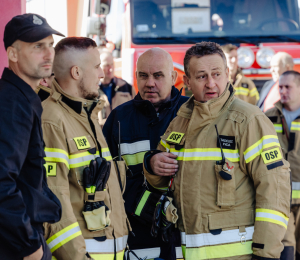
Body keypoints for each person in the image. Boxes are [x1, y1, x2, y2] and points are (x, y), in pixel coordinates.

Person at [143, 42, 291, 260]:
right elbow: (161, 181)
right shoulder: (180, 122)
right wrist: (153, 165)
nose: (211, 83)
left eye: (216, 74)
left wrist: (266, 253)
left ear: (227, 74)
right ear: (188, 82)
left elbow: (274, 190)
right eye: (202, 76)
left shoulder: (249, 120)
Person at [42, 37, 129, 260]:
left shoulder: (86, 114)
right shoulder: (51, 119)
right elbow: (54, 203)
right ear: (76, 73)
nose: (102, 74)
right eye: (97, 67)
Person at [103, 48, 188, 259]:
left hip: (186, 239)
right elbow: (108, 182)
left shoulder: (192, 114)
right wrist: (148, 168)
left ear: (173, 77)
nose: (150, 83)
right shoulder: (119, 119)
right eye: (143, 75)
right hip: (136, 239)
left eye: (158, 75)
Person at [0, 13, 63, 260]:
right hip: (16, 246)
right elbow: (2, 180)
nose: (48, 54)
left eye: (51, 45)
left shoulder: (23, 98)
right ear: (13, 54)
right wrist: (29, 246)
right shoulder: (12, 103)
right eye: (38, 47)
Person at [265, 70, 300, 260]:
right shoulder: (268, 117)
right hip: (279, 197)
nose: (283, 91)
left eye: (288, 87)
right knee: (286, 248)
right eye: (280, 87)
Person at [99, 50, 136, 124]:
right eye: (106, 65)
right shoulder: (90, 90)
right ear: (98, 66)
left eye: (112, 64)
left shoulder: (127, 88)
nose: (111, 69)